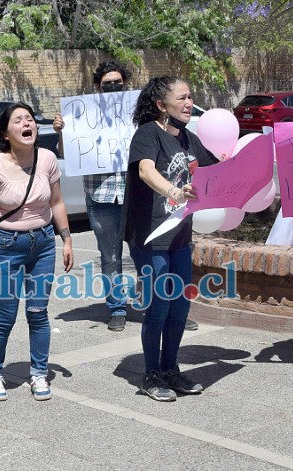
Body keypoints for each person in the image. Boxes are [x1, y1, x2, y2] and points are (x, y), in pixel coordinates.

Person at [53, 60, 199, 332]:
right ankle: (117, 307)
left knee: (146, 255)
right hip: (102, 197)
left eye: (117, 82)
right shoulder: (83, 114)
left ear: (126, 84)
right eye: (107, 83)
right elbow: (67, 154)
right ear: (97, 86)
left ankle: (160, 307)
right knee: (110, 257)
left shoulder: (138, 117)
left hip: (138, 198)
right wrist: (62, 133)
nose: (113, 87)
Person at [122, 76, 218, 401]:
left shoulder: (189, 139)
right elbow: (146, 171)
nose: (189, 102)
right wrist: (176, 191)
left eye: (191, 96)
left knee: (180, 307)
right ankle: (150, 375)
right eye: (182, 98)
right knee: (159, 306)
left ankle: (170, 369)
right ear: (162, 105)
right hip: (150, 237)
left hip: (179, 238)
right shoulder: (148, 134)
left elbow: (219, 171)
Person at [0, 102, 74, 402]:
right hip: (7, 247)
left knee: (38, 313)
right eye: (18, 120)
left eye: (30, 119)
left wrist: (66, 239)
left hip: (44, 244)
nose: (26, 123)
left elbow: (57, 202)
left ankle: (38, 373)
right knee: (5, 315)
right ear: (6, 133)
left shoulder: (47, 159)